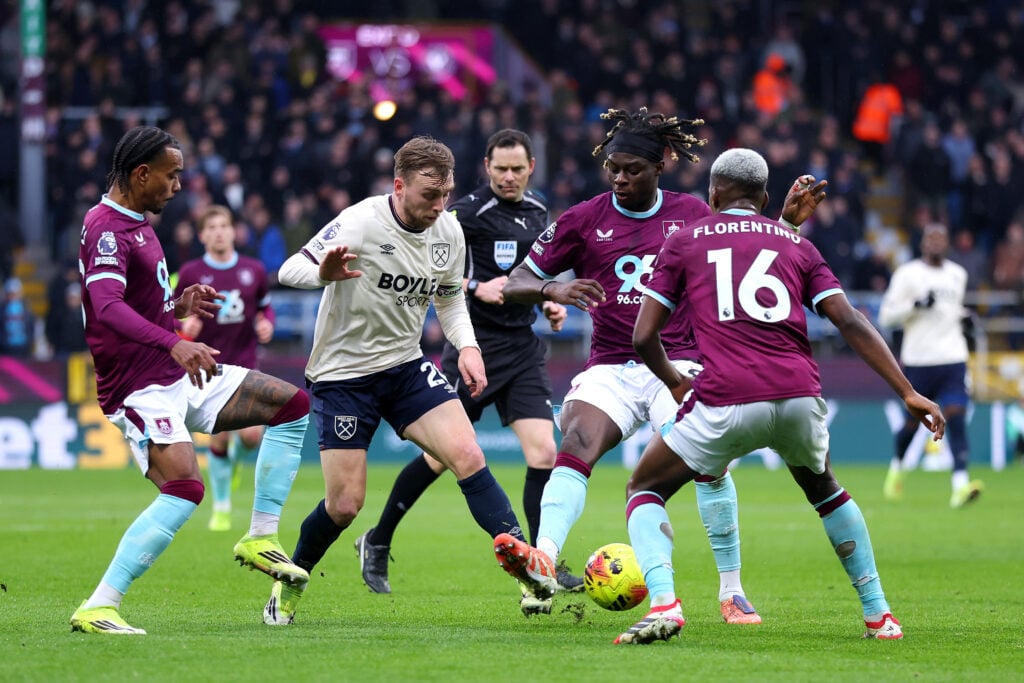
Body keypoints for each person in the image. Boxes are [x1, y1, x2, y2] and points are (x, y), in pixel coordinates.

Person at [494, 108, 826, 623]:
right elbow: (514, 282)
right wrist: (550, 287)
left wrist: (785, 223)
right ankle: (542, 562)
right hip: (611, 364)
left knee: (709, 464)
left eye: (631, 169)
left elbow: (754, 254)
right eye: (612, 169)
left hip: (680, 364)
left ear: (661, 165)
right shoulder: (583, 219)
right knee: (576, 441)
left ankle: (731, 590)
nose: (620, 179)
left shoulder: (693, 213)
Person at [618, 147, 945, 645]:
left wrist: (674, 381)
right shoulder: (796, 244)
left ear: (713, 193)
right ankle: (880, 616)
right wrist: (908, 391)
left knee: (643, 488)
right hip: (799, 396)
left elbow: (644, 338)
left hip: (725, 398)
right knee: (827, 492)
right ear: (766, 197)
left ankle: (665, 602)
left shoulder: (684, 241)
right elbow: (850, 320)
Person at [264, 135, 557, 626]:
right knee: (345, 504)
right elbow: (290, 268)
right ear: (398, 186)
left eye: (445, 195)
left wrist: (467, 346)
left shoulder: (448, 231)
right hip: (344, 377)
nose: (439, 207)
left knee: (467, 454)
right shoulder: (360, 221)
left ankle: (528, 568)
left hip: (404, 365)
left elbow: (448, 298)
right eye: (428, 196)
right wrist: (326, 273)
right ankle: (290, 580)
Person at [70, 126, 311, 636]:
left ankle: (259, 536)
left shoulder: (139, 221)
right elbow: (106, 307)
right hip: (139, 387)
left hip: (175, 374)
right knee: (184, 487)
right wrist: (174, 340)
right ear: (141, 173)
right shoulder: (107, 228)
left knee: (291, 404)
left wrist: (172, 309)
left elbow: (134, 302)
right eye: (171, 175)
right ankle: (99, 605)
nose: (178, 186)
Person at [353, 129, 579, 605]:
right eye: (501, 168)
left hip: (521, 346)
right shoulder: (464, 213)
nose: (510, 176)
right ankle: (378, 537)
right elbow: (441, 271)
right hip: (474, 345)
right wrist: (477, 287)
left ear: (531, 167)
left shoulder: (539, 212)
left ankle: (542, 563)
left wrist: (549, 303)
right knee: (440, 458)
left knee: (543, 452)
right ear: (487, 166)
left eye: (518, 168)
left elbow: (536, 272)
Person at [175, 204, 276, 531]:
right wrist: (183, 328)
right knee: (217, 438)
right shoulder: (190, 273)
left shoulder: (254, 270)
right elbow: (171, 316)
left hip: (245, 363)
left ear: (234, 231)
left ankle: (233, 465)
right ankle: (221, 507)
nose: (219, 232)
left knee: (250, 438)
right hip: (207, 365)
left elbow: (265, 309)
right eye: (212, 227)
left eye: (224, 226)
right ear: (202, 235)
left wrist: (266, 326)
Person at [878, 222, 983, 508]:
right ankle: (897, 468)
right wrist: (915, 306)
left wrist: (964, 318)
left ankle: (960, 486)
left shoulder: (957, 275)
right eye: (931, 238)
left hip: (952, 357)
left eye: (941, 238)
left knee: (957, 416)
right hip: (919, 360)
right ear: (922, 243)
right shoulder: (908, 274)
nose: (936, 243)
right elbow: (887, 316)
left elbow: (951, 311)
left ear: (947, 244)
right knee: (912, 425)